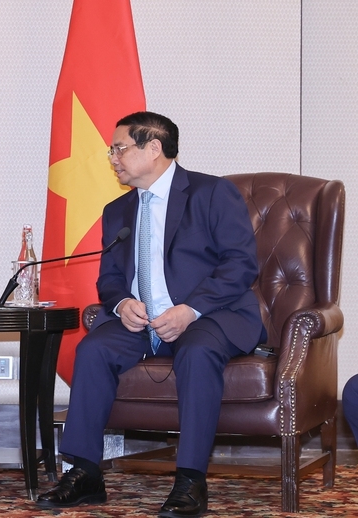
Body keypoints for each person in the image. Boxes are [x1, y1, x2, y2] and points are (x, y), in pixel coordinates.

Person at [37, 111, 265, 518]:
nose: (113, 158)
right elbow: (109, 279)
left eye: (119, 148)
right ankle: (85, 472)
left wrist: (190, 309)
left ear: (154, 147)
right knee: (93, 350)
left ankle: (190, 481)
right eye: (112, 151)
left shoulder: (212, 193)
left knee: (197, 353)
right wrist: (122, 304)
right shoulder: (118, 210)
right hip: (142, 324)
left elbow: (240, 264)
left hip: (210, 315)